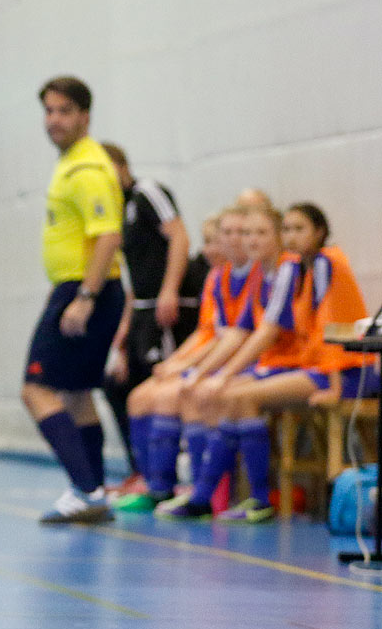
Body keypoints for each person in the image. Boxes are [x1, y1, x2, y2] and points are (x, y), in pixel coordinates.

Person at [162, 203, 370, 522]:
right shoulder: (297, 268)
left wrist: (337, 387)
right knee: (222, 394)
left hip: (345, 371)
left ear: (320, 232)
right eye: (287, 229)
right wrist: (203, 373)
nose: (290, 237)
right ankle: (207, 495)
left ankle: (253, 497)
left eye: (298, 229)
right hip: (309, 366)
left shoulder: (323, 264)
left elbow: (338, 329)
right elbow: (243, 331)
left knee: (237, 396)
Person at [23, 76, 125, 524]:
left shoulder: (88, 169)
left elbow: (107, 235)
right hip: (78, 288)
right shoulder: (73, 163)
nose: (54, 120)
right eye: (49, 111)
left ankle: (85, 489)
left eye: (64, 111)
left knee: (36, 389)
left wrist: (84, 296)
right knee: (78, 395)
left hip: (88, 291)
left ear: (85, 115)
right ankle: (95, 493)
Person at [116, 207, 247, 513]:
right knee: (138, 397)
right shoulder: (218, 278)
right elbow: (209, 332)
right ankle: (157, 487)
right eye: (212, 240)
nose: (211, 248)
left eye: (218, 239)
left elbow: (229, 337)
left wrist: (190, 367)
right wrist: (177, 361)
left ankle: (201, 492)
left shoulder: (245, 278)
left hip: (230, 362)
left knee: (173, 395)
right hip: (211, 356)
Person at [100, 143, 192, 494]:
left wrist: (169, 290)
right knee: (118, 385)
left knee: (161, 385)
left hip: (162, 309)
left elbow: (180, 238)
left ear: (120, 165)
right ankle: (141, 471)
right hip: (139, 309)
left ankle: (171, 476)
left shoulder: (147, 192)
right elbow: (131, 277)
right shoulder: (115, 209)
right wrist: (122, 335)